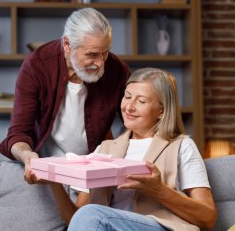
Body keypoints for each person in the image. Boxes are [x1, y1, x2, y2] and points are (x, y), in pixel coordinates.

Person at [47, 68, 217, 231]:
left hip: (161, 227)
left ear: (161, 111)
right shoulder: (104, 150)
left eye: (141, 101)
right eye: (127, 97)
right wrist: (52, 179)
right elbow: (78, 219)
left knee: (92, 215)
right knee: (89, 215)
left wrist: (160, 191)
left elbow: (208, 218)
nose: (129, 107)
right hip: (109, 226)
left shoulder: (181, 146)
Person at [0, 8, 131, 185]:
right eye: (91, 54)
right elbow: (19, 133)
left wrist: (119, 154)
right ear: (67, 45)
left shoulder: (117, 70)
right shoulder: (37, 66)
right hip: (48, 172)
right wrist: (27, 156)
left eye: (105, 52)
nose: (100, 63)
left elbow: (136, 124)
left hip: (96, 172)